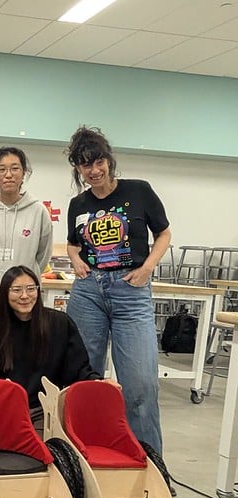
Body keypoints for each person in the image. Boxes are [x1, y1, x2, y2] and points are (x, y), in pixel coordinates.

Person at [65, 125, 171, 455]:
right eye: (85, 165)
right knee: (83, 381)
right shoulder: (77, 204)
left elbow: (164, 234)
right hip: (88, 294)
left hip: (131, 292)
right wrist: (76, 261)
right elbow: (72, 244)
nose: (93, 171)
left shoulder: (139, 191)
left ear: (109, 160)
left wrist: (147, 267)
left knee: (140, 384)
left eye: (98, 162)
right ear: (78, 169)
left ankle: (151, 463)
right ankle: (82, 459)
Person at [0, 266, 101, 424]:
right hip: (9, 410)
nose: (25, 296)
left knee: (40, 445)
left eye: (31, 289)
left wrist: (98, 382)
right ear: (5, 293)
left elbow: (78, 369)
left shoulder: (60, 323)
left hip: (47, 410)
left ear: (38, 291)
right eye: (17, 290)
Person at [0, 146, 53, 333]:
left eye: (15, 168)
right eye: (2, 169)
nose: (8, 175)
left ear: (24, 173)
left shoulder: (38, 212)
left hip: (23, 305)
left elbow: (42, 256)